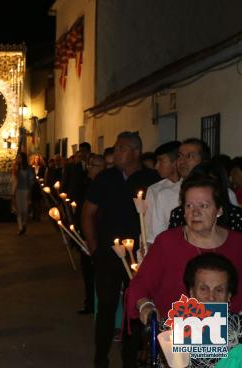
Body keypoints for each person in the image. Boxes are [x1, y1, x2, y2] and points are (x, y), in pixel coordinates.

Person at [82, 131, 160, 368]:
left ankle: (130, 357)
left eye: (121, 149)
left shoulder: (152, 179)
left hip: (140, 256)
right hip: (108, 254)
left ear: (136, 152)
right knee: (105, 306)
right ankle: (100, 357)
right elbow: (88, 212)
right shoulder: (105, 178)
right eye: (115, 148)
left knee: (135, 308)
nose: (115, 153)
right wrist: (94, 248)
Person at [128, 174, 242, 326]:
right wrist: (145, 306)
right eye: (189, 206)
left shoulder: (238, 243)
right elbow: (140, 284)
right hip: (175, 335)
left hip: (231, 336)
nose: (195, 212)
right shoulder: (167, 242)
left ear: (219, 210)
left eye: (203, 206)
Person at [74, 153, 106, 315]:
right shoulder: (86, 184)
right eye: (89, 164)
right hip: (85, 236)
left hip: (98, 237)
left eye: (93, 165)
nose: (89, 168)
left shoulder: (106, 188)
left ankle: (99, 305)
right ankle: (90, 303)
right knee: (87, 271)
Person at [144, 141, 182, 245]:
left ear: (175, 161)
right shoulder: (155, 190)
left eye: (161, 161)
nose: (156, 166)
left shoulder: (190, 186)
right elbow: (149, 226)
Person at [11, 152, 34, 236]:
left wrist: (29, 190)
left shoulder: (28, 168)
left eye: (20, 157)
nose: (18, 159)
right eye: (17, 157)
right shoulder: (15, 168)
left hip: (25, 190)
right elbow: (13, 180)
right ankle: (20, 228)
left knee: (25, 210)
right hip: (17, 191)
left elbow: (32, 180)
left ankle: (24, 225)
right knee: (18, 210)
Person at [30, 154, 45, 221]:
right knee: (33, 201)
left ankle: (38, 216)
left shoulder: (42, 167)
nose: (37, 160)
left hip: (39, 186)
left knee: (38, 201)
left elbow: (44, 176)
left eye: (38, 159)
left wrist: (41, 179)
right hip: (33, 186)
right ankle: (34, 215)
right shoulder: (31, 167)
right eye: (36, 158)